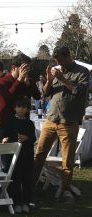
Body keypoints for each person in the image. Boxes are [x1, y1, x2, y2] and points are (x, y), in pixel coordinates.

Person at [33, 46, 90, 202]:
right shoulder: (56, 72)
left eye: (61, 61)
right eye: (57, 61)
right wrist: (50, 81)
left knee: (67, 160)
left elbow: (79, 92)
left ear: (68, 56)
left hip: (69, 122)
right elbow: (45, 94)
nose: (59, 64)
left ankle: (65, 190)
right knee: (39, 154)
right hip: (51, 119)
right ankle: (31, 185)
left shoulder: (82, 72)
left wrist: (63, 79)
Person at [0, 52, 40, 172]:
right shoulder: (2, 82)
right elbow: (7, 99)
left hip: (23, 124)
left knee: (23, 159)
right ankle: (7, 189)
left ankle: (23, 187)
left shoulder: (27, 81)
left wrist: (29, 83)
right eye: (23, 68)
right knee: (7, 163)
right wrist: (19, 80)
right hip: (6, 126)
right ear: (14, 68)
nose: (26, 71)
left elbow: (37, 96)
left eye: (27, 68)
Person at [2, 96, 36, 214]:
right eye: (19, 107)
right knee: (15, 179)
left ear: (27, 109)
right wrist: (5, 139)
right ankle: (15, 202)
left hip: (27, 155)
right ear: (14, 108)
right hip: (14, 156)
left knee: (27, 179)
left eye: (24, 107)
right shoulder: (10, 121)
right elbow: (5, 135)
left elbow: (33, 138)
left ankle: (26, 202)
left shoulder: (30, 123)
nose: (21, 109)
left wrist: (26, 138)